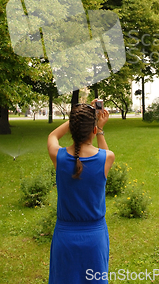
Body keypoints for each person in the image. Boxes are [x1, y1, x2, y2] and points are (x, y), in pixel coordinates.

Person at [47, 101, 115, 284]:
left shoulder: (58, 156)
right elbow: (105, 153)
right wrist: (98, 127)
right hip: (95, 239)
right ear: (93, 130)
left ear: (72, 130)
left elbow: (53, 135)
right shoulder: (106, 158)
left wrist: (77, 118)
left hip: (64, 238)